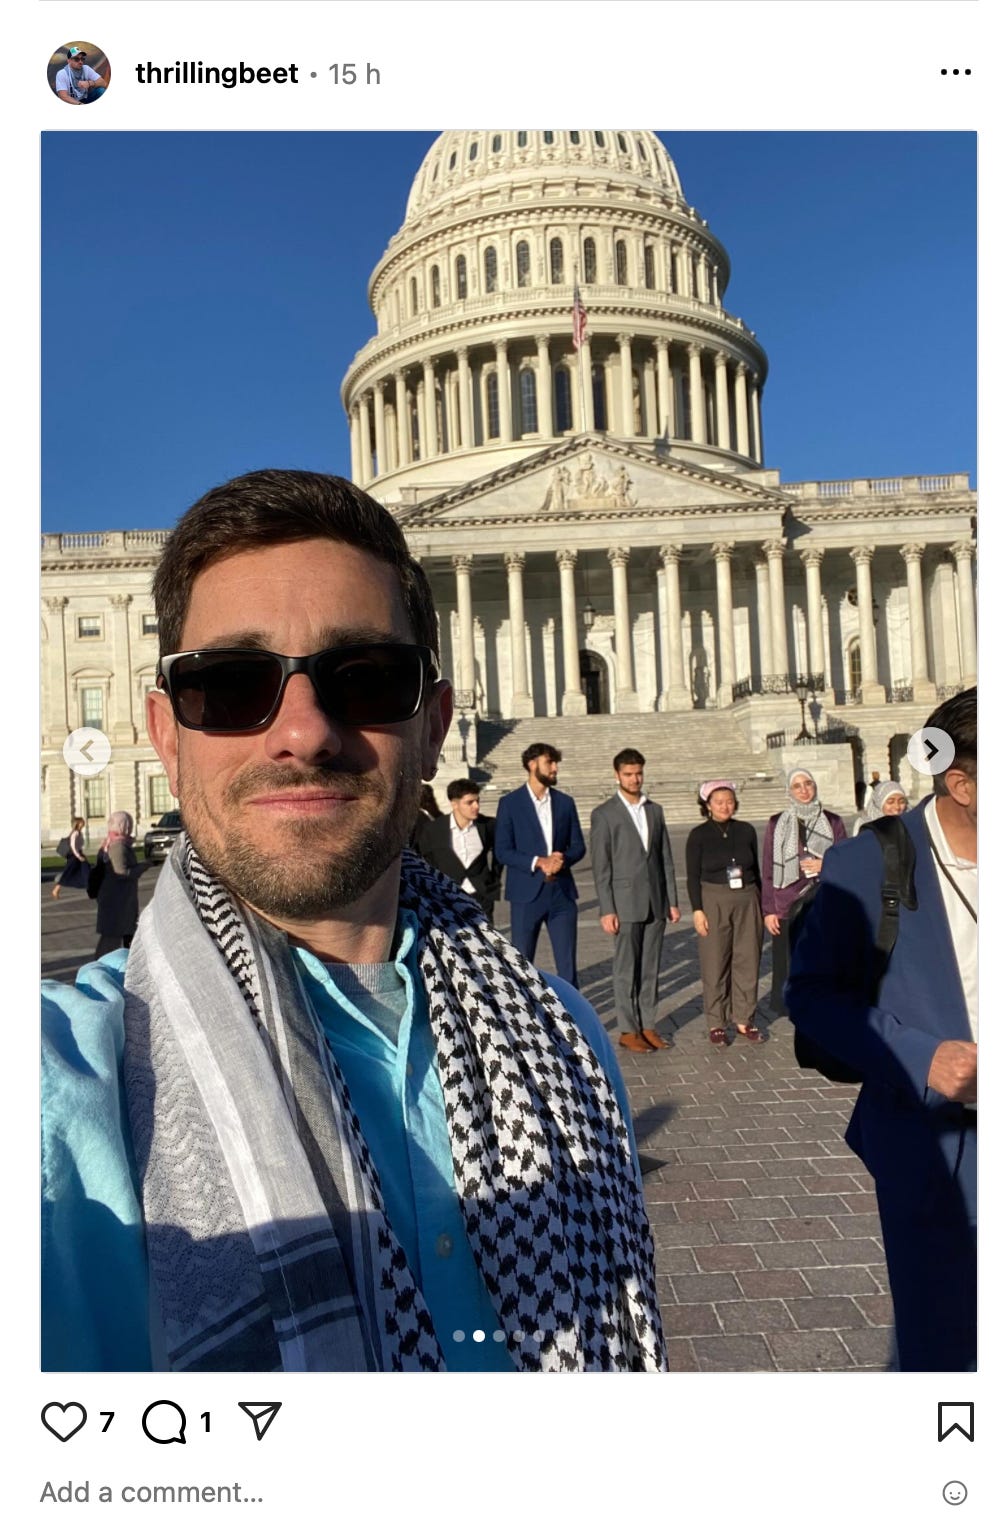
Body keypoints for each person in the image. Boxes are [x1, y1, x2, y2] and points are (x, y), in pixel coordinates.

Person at [41, 469, 666, 1374]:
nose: (304, 732)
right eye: (231, 684)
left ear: (434, 725)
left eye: (366, 679)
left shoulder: (569, 1038)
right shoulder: (58, 1093)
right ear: (167, 736)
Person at [787, 688, 976, 1371]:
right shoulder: (871, 862)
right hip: (943, 1145)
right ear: (962, 784)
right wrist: (922, 1057)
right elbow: (810, 996)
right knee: (949, 1351)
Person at [590, 749, 680, 1053]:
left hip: (656, 901)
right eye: (628, 774)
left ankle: (648, 1025)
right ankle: (628, 1029)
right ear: (617, 775)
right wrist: (607, 909)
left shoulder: (655, 810)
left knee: (650, 967)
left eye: (638, 773)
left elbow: (665, 859)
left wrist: (672, 900)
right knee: (626, 969)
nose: (634, 779)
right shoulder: (604, 814)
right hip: (625, 902)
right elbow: (601, 866)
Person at [494, 744, 586, 987]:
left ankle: (571, 1010)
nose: (555, 768)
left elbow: (578, 845)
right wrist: (538, 862)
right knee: (522, 965)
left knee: (568, 967)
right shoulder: (510, 803)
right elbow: (502, 851)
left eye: (556, 763)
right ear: (532, 764)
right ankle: (525, 1009)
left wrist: (562, 859)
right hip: (526, 895)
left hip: (562, 894)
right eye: (549, 763)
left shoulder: (565, 803)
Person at [761, 768, 847, 1015]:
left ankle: (823, 1001)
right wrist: (769, 910)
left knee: (823, 955)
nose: (804, 790)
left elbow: (845, 858)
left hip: (823, 898)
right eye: (797, 786)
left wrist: (825, 864)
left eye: (808, 784)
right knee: (788, 957)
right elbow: (768, 866)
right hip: (786, 900)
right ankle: (791, 1003)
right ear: (789, 791)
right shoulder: (777, 822)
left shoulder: (832, 821)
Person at [685, 780, 764, 1047]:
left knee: (748, 959)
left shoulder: (746, 830)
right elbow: (692, 876)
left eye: (729, 801)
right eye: (718, 802)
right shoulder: (698, 835)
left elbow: (756, 870)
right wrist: (697, 910)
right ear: (708, 805)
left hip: (747, 898)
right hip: (714, 899)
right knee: (715, 962)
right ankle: (716, 1022)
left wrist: (763, 905)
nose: (725, 806)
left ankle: (744, 1018)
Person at [416, 777, 500, 923]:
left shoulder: (487, 825)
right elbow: (426, 859)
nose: (476, 806)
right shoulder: (434, 829)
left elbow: (501, 852)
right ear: (454, 804)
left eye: (477, 801)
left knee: (486, 936)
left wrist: (493, 879)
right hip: (447, 898)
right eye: (470, 802)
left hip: (481, 897)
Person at [93, 810, 139, 957]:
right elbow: (121, 872)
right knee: (111, 941)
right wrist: (142, 867)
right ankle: (99, 967)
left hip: (115, 899)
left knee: (114, 939)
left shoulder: (110, 842)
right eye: (128, 824)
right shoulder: (118, 845)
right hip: (117, 901)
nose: (129, 827)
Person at [52, 817, 89, 898]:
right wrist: (79, 856)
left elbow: (78, 846)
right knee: (68, 872)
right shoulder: (75, 833)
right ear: (78, 824)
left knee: (84, 870)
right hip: (74, 856)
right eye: (81, 822)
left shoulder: (79, 833)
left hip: (78, 855)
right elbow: (73, 847)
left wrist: (82, 854)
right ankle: (56, 889)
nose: (83, 823)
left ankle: (90, 885)